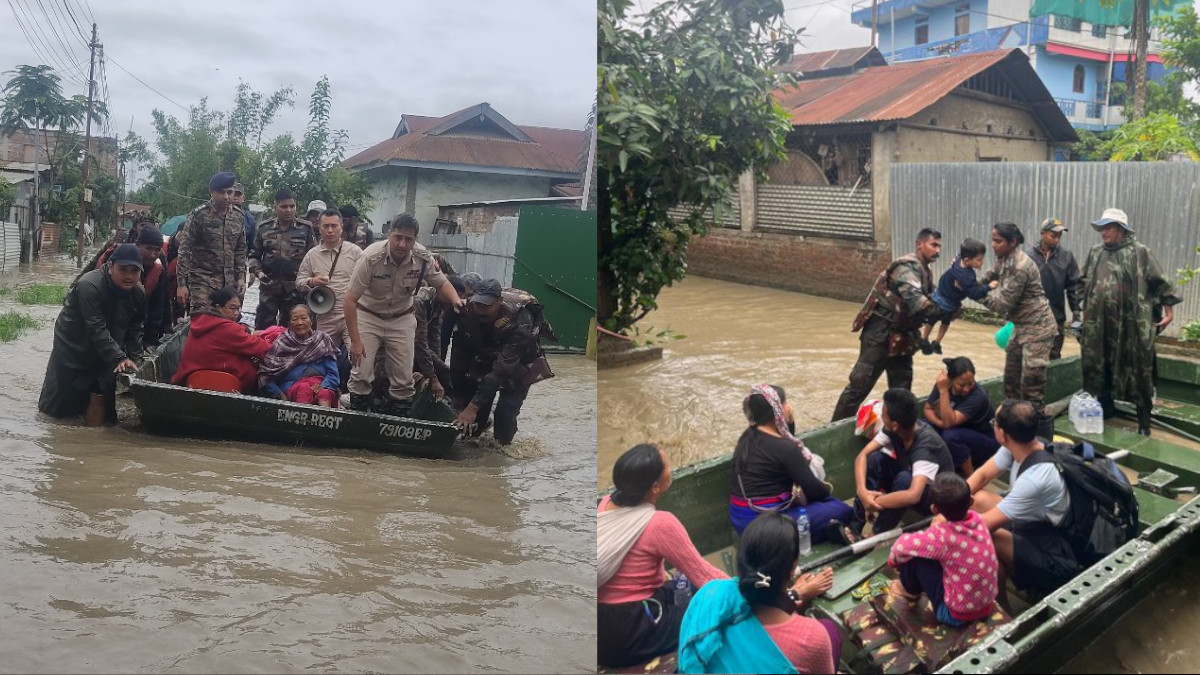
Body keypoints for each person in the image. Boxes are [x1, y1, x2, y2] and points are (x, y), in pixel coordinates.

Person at [598, 444, 728, 669]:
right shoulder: (661, 524)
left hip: (600, 627)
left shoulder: (606, 503)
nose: (671, 467)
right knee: (712, 606)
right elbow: (706, 577)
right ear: (656, 487)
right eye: (667, 465)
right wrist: (748, 591)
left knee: (682, 585)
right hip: (630, 633)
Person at [678, 512, 839, 674]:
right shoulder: (811, 637)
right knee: (831, 630)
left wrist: (797, 593)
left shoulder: (710, 593)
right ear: (793, 565)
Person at [344, 213, 464, 415]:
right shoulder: (371, 257)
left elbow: (441, 282)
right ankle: (358, 414)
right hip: (369, 315)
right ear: (389, 235)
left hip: (402, 317)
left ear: (415, 239)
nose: (401, 244)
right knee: (362, 372)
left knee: (403, 376)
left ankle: (400, 418)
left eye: (408, 239)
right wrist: (355, 341)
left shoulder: (423, 257)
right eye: (397, 237)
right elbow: (349, 300)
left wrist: (456, 300)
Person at [964, 400, 1077, 610]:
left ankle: (1001, 606)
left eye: (994, 423)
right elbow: (982, 475)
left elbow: (982, 526)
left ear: (1003, 434)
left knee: (986, 534)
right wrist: (955, 499)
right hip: (1032, 526)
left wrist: (943, 521)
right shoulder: (1021, 445)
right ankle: (998, 578)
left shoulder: (1035, 479)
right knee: (976, 500)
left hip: (1054, 554)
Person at [1079, 208, 1182, 435]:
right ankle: (1106, 409)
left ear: (1121, 230)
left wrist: (1169, 310)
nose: (1104, 232)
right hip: (1100, 324)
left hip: (1131, 325)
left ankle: (1143, 422)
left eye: (1109, 227)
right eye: (1102, 227)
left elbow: (1161, 283)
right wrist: (1082, 313)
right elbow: (1082, 282)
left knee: (1138, 368)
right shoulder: (1095, 252)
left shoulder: (1141, 253)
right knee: (1099, 362)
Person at [832, 228, 941, 422]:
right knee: (859, 385)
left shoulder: (924, 270)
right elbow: (918, 301)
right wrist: (942, 311)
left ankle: (900, 431)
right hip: (880, 333)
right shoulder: (905, 268)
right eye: (934, 245)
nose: (938, 250)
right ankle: (833, 431)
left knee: (901, 389)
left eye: (939, 246)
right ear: (919, 244)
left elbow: (932, 297)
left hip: (902, 336)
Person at [38, 244, 146, 426]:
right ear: (111, 266)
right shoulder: (89, 285)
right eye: (123, 270)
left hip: (109, 343)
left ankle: (94, 435)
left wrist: (136, 361)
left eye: (134, 271)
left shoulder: (138, 292)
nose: (129, 276)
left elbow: (135, 329)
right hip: (73, 344)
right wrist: (119, 356)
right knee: (60, 406)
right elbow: (96, 327)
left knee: (104, 395)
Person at [728, 384, 851, 541]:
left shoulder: (747, 436)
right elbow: (815, 491)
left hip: (741, 520)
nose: (788, 407)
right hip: (764, 529)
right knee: (842, 510)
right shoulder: (786, 449)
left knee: (818, 503)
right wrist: (827, 490)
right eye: (785, 403)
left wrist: (790, 422)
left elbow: (783, 441)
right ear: (777, 411)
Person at [886, 473, 999, 626]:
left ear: (934, 509)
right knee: (929, 551)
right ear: (971, 501)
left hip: (955, 615)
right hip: (985, 604)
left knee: (915, 556)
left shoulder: (941, 537)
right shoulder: (978, 520)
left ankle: (908, 591)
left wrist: (894, 563)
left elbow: (900, 547)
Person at [451, 279, 555, 444]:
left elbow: (502, 368)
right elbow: (459, 353)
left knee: (505, 415)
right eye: (478, 304)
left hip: (519, 362)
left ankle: (502, 453)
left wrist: (472, 407)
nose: (480, 310)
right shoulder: (468, 311)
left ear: (499, 301)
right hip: (485, 357)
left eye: (487, 306)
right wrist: (458, 393)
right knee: (475, 418)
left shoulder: (521, 319)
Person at [979, 222, 1057, 437]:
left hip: (1038, 327)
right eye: (993, 240)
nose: (993, 245)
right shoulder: (1004, 259)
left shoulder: (1020, 266)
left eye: (998, 241)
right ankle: (1012, 427)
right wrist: (968, 283)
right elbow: (987, 277)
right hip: (1021, 327)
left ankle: (1039, 438)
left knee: (1031, 386)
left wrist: (977, 294)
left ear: (1012, 242)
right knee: (1011, 378)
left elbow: (1002, 305)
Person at [848, 388, 955, 540]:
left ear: (895, 424)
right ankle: (854, 528)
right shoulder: (893, 429)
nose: (882, 417)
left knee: (905, 479)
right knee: (875, 459)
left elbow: (913, 495)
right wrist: (863, 493)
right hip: (912, 481)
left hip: (937, 499)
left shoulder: (925, 444)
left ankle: (875, 536)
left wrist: (875, 502)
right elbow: (862, 456)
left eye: (884, 414)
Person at [296, 209, 365, 392]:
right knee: (322, 358)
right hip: (324, 315)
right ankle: (325, 392)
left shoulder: (355, 252)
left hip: (351, 315)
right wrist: (312, 281)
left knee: (358, 356)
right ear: (319, 228)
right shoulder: (312, 255)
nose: (330, 230)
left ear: (341, 227)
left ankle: (355, 394)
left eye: (334, 226)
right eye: (326, 226)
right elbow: (299, 282)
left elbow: (368, 281)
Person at [171, 285, 271, 394]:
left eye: (238, 308)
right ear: (218, 307)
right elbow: (264, 349)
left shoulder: (201, 322)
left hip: (190, 377)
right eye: (232, 308)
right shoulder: (228, 329)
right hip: (224, 383)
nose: (236, 313)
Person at [177, 172, 248, 313]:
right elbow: (184, 250)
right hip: (202, 281)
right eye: (222, 192)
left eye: (230, 192)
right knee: (202, 320)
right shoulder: (199, 215)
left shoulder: (238, 217)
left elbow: (240, 250)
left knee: (227, 323)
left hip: (228, 283)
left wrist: (241, 278)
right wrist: (182, 284)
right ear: (212, 192)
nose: (227, 197)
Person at [249, 189, 316, 330]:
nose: (289, 210)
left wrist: (309, 280)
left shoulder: (306, 228)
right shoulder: (264, 228)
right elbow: (254, 255)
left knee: (292, 328)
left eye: (292, 206)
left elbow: (313, 257)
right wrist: (258, 272)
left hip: (295, 289)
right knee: (264, 326)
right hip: (269, 287)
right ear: (276, 207)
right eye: (284, 207)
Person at [919, 237, 995, 355]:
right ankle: (936, 341)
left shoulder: (958, 260)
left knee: (932, 320)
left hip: (940, 293)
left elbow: (961, 251)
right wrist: (989, 287)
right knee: (945, 322)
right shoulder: (967, 276)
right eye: (979, 260)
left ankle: (925, 339)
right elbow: (974, 293)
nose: (982, 262)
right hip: (949, 303)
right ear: (967, 260)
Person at [924, 356, 998, 475]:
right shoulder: (943, 384)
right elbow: (928, 408)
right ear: (951, 380)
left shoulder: (978, 396)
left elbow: (949, 423)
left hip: (985, 441)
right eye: (962, 385)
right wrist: (940, 424)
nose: (967, 389)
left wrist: (943, 392)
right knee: (924, 425)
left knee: (951, 435)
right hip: (960, 433)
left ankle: (969, 477)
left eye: (971, 383)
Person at [257, 305, 340, 406]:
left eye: (304, 318)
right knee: (303, 388)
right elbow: (265, 377)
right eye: (295, 319)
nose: (300, 322)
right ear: (289, 324)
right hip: (291, 389)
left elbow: (333, 374)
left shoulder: (322, 339)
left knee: (325, 393)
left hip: (320, 385)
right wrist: (280, 396)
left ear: (311, 321)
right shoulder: (281, 343)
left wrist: (324, 385)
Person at [1028, 217, 1081, 360]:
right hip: (1031, 319)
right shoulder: (1028, 257)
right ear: (1042, 233)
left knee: (1053, 357)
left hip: (1056, 319)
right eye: (1053, 235)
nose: (1057, 239)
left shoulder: (1066, 257)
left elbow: (1074, 287)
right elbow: (1018, 289)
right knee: (1031, 360)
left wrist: (1076, 314)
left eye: (1059, 236)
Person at [413, 275, 467, 400]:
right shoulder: (420, 300)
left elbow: (434, 339)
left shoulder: (439, 305)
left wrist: (437, 369)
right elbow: (419, 342)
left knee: (445, 371)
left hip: (414, 343)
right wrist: (433, 378)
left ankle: (454, 401)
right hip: (397, 341)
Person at [132, 225, 171, 349]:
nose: (152, 254)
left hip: (144, 324)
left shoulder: (160, 272)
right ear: (138, 245)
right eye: (148, 248)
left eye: (157, 249)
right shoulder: (120, 266)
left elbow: (159, 307)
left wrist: (150, 340)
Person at [441, 271, 481, 361]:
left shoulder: (485, 309)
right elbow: (443, 341)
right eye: (463, 295)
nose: (465, 300)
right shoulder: (452, 308)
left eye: (470, 295)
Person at [233, 182, 257, 257]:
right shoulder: (219, 214)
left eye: (238, 195)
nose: (235, 197)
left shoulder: (249, 219)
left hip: (240, 262)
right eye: (233, 194)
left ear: (243, 198)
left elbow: (252, 246)